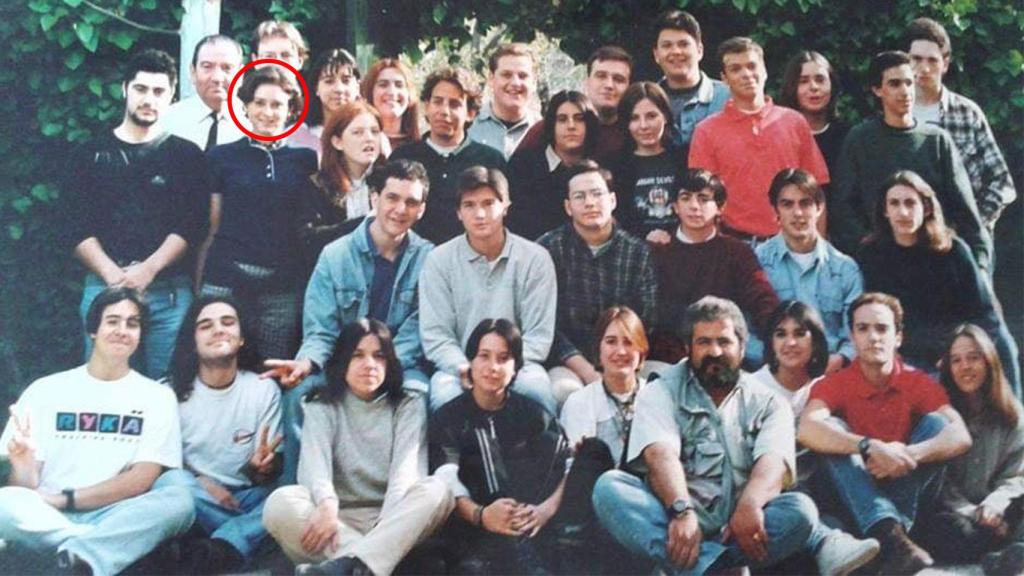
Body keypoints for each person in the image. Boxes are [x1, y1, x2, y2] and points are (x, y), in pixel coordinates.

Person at [592, 296, 817, 574]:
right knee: (609, 488)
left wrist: (750, 505)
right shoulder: (660, 390)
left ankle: (695, 566)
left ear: (742, 348)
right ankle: (711, 568)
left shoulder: (769, 402)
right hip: (674, 519)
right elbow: (660, 455)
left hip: (738, 527)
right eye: (704, 342)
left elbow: (773, 462)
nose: (715, 351)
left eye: (724, 342)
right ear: (688, 348)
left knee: (801, 511)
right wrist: (681, 511)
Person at [0, 288, 194, 576]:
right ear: (93, 330)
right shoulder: (46, 389)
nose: (122, 331)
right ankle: (95, 553)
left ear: (140, 334)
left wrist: (65, 498)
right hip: (49, 513)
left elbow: (142, 478)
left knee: (180, 502)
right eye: (112, 321)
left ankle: (74, 559)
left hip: (116, 514)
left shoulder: (157, 396)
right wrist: (24, 464)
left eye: (132, 323)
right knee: (5, 502)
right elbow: (25, 488)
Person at [262, 160, 433, 483]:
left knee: (419, 394)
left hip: (400, 364)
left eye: (411, 202)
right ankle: (296, 493)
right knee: (301, 395)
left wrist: (380, 367)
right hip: (340, 364)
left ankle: (407, 494)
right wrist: (307, 362)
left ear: (422, 209)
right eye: (392, 198)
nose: (400, 209)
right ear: (374, 198)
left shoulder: (430, 260)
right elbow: (320, 330)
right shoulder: (335, 255)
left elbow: (421, 329)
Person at [798, 292, 973, 574]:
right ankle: (890, 538)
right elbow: (807, 428)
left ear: (898, 337)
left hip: (902, 488)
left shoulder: (916, 381)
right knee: (832, 429)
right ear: (852, 337)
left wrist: (906, 454)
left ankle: (889, 540)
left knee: (937, 424)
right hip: (852, 495)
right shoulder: (836, 383)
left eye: (882, 328)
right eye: (863, 329)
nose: (873, 337)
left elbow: (960, 435)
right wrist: (869, 446)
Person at [263, 319, 454, 576]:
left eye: (379, 356)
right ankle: (373, 565)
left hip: (396, 520)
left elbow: (406, 476)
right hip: (336, 523)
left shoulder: (408, 404)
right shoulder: (320, 404)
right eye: (358, 355)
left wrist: (383, 529)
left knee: (438, 490)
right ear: (343, 361)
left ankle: (348, 567)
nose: (369, 364)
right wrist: (327, 505)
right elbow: (314, 469)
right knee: (279, 503)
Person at [66, 48, 208, 380]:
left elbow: (191, 225)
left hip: (169, 293)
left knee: (170, 388)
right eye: (141, 89)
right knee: (102, 386)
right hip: (103, 288)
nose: (149, 99)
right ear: (124, 89)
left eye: (159, 91)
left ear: (171, 96)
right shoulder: (90, 154)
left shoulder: (187, 156)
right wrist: (114, 277)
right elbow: (73, 226)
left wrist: (148, 270)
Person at [857, 170, 1020, 396]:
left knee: (1003, 344)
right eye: (894, 203)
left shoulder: (954, 251)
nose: (903, 212)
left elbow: (983, 313)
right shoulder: (871, 255)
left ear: (926, 208)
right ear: (885, 210)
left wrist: (960, 353)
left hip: (957, 346)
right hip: (906, 350)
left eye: (910, 203)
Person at [429, 319, 570, 573]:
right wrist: (481, 515)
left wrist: (544, 511)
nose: (493, 367)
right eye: (484, 356)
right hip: (474, 535)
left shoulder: (533, 414)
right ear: (471, 362)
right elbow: (446, 479)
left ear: (515, 368)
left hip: (529, 530)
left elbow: (566, 465)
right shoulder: (448, 418)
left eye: (503, 358)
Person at [831, 50, 991, 272]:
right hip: (880, 264)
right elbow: (843, 208)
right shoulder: (860, 140)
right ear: (877, 90)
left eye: (909, 82)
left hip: (934, 262)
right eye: (894, 84)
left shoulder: (936, 140)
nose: (905, 91)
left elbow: (966, 212)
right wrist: (869, 248)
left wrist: (980, 265)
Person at [752, 301, 881, 576]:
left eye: (800, 333)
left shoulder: (824, 386)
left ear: (816, 341)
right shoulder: (754, 388)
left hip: (820, 487)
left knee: (835, 427)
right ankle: (828, 541)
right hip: (776, 493)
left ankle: (878, 530)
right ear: (771, 342)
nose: (790, 342)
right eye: (781, 334)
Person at [200, 66, 318, 360]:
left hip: (281, 285)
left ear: (290, 109)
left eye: (277, 104)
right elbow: (212, 225)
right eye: (260, 103)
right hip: (226, 278)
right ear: (247, 107)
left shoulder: (305, 160)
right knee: (216, 361)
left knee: (271, 367)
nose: (268, 112)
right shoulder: (220, 157)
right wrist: (199, 280)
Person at [419, 166, 558, 414]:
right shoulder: (438, 261)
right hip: (459, 367)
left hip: (519, 366)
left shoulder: (535, 259)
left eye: (489, 203)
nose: (480, 214)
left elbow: (538, 335)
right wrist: (467, 368)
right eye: (469, 205)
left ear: (506, 206)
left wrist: (503, 367)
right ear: (458, 212)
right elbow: (436, 335)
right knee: (445, 397)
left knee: (536, 392)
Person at [162, 295, 282, 574]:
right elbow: (159, 465)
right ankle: (235, 542)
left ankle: (216, 546)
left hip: (248, 496)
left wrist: (261, 468)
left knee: (286, 497)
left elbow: (263, 476)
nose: (218, 330)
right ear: (193, 342)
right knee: (170, 484)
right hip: (196, 496)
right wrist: (201, 481)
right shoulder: (168, 392)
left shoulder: (263, 388)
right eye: (205, 325)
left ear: (241, 338)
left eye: (227, 322)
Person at [538, 162, 657, 405]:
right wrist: (588, 371)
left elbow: (646, 319)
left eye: (597, 194)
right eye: (579, 196)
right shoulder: (547, 250)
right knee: (564, 392)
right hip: (569, 362)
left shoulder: (637, 252)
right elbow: (545, 324)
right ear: (568, 207)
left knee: (662, 386)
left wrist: (617, 363)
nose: (590, 203)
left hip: (626, 356)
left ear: (612, 200)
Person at [689, 37, 829, 244]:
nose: (746, 74)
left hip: (792, 242)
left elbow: (816, 190)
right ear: (724, 78)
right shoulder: (706, 131)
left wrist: (818, 247)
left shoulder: (794, 122)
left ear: (764, 71)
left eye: (752, 66)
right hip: (735, 244)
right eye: (736, 69)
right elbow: (702, 197)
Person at [913, 324, 1024, 573]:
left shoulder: (1012, 414)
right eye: (956, 360)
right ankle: (1000, 557)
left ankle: (1005, 553)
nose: (965, 367)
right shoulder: (940, 414)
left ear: (989, 361)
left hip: (997, 509)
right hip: (955, 512)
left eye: (973, 358)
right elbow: (940, 485)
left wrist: (995, 505)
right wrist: (975, 513)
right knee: (951, 531)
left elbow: (1016, 476)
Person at [648, 169, 778, 365]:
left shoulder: (736, 253)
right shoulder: (658, 252)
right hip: (669, 361)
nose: (694, 206)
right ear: (675, 206)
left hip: (724, 355)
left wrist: (778, 336)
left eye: (703, 199)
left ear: (720, 207)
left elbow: (762, 300)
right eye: (686, 198)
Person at [906, 17, 1016, 232]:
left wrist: (974, 226)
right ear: (905, 61)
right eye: (916, 59)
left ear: (945, 64)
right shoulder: (893, 115)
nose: (924, 68)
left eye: (932, 60)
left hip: (963, 236)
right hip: (908, 237)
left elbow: (1001, 181)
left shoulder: (967, 113)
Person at [754, 168, 862, 372]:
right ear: (775, 211)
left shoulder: (845, 268)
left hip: (830, 373)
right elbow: (744, 331)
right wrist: (775, 361)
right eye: (787, 204)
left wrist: (839, 360)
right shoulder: (756, 263)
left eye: (805, 203)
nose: (797, 213)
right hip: (772, 373)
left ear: (819, 208)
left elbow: (856, 332)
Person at [390, 67, 506, 244]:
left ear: (470, 113)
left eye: (454, 104)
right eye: (437, 102)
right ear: (426, 106)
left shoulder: (491, 161)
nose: (444, 111)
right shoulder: (403, 157)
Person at [298, 101, 383, 270]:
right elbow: (309, 241)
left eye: (374, 131)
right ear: (337, 142)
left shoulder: (388, 181)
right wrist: (366, 223)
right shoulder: (318, 185)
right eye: (357, 132)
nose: (369, 138)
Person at [507, 90, 600, 239]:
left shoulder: (600, 168)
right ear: (552, 124)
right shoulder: (523, 166)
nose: (571, 126)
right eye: (562, 119)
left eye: (579, 119)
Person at [516, 45, 633, 161]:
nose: (609, 85)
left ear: (629, 87)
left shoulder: (635, 133)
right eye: (601, 76)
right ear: (587, 82)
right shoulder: (550, 128)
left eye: (618, 79)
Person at [609, 81, 684, 242]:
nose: (643, 126)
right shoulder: (615, 166)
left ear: (665, 116)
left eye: (651, 116)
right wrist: (643, 237)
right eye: (634, 118)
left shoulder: (684, 158)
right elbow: (616, 219)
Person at [649, 9, 729, 155]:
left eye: (683, 44)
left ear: (700, 50)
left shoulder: (728, 98)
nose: (676, 51)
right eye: (667, 45)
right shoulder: (647, 100)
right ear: (656, 54)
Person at [778, 51, 849, 188]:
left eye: (820, 80)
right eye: (803, 81)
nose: (814, 87)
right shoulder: (781, 137)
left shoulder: (848, 136)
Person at [164, 35, 246, 150]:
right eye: (207, 67)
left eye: (227, 68)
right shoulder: (168, 122)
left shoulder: (252, 123)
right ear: (193, 72)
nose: (217, 78)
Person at [467, 43, 539, 158]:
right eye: (506, 75)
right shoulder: (468, 126)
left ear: (534, 82)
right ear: (491, 79)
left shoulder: (544, 132)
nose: (515, 83)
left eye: (522, 76)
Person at [291, 48, 363, 154]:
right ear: (316, 88)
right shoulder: (298, 138)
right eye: (329, 81)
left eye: (346, 81)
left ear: (357, 87)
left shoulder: (371, 133)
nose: (339, 89)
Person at [362, 58, 421, 150]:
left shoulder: (422, 148)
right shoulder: (357, 143)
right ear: (370, 93)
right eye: (383, 85)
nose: (392, 92)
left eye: (399, 85)